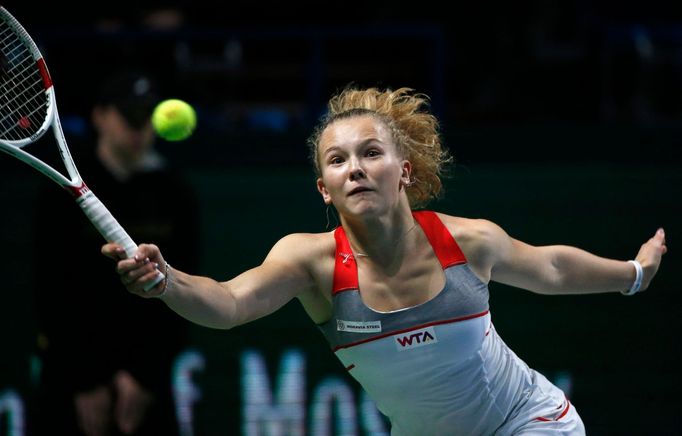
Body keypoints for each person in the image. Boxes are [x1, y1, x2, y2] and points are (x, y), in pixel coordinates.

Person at [102, 86, 667, 435]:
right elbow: (228, 303)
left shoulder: (466, 241)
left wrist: (635, 275)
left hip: (528, 422)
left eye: (372, 153)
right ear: (324, 188)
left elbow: (552, 269)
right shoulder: (311, 262)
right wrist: (166, 281)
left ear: (405, 171)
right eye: (337, 160)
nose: (354, 167)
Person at [32, 70, 199, 435]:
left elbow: (188, 289)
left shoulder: (176, 194)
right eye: (129, 116)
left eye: (146, 117)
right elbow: (50, 291)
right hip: (72, 380)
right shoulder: (59, 197)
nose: (139, 128)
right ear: (100, 116)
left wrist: (146, 377)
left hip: (146, 386)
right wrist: (83, 379)